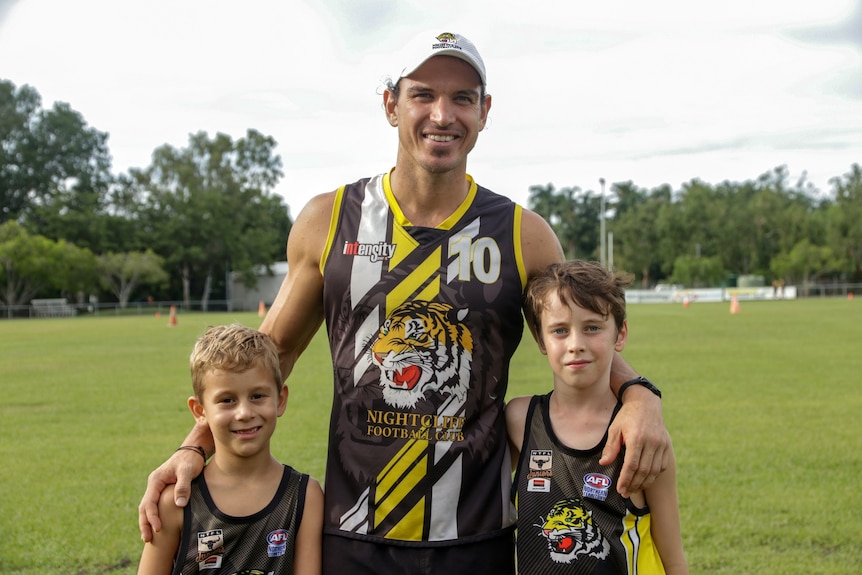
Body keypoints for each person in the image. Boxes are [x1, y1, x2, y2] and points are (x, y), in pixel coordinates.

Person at [139, 31, 670, 574]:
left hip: (477, 537)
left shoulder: (522, 234)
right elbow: (263, 360)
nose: (443, 114)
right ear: (391, 104)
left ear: (484, 112)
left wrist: (638, 395)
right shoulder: (328, 220)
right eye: (422, 95)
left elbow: (578, 332)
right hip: (354, 534)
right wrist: (191, 448)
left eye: (463, 97)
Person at [507, 260, 687, 574]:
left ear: (620, 334)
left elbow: (672, 557)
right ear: (540, 340)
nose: (576, 345)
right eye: (559, 331)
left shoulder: (643, 436)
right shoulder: (520, 419)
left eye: (592, 328)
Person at [137, 324, 323, 575]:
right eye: (227, 400)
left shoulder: (305, 496)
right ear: (199, 411)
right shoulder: (177, 501)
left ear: (280, 400)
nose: (244, 413)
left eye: (257, 396)